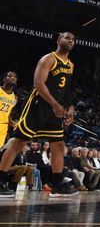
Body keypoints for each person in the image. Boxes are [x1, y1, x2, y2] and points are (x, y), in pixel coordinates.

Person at [0, 32, 79, 198]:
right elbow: (38, 83)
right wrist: (55, 104)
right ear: (59, 40)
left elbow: (66, 90)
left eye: (72, 39)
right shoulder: (48, 59)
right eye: (67, 38)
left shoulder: (70, 65)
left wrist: (70, 107)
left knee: (58, 144)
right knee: (19, 142)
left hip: (55, 108)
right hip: (38, 105)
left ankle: (56, 185)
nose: (70, 41)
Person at [0, 72, 18, 148]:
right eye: (10, 76)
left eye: (15, 77)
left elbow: (8, 114)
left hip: (3, 127)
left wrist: (12, 123)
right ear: (4, 79)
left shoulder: (15, 97)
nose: (13, 78)